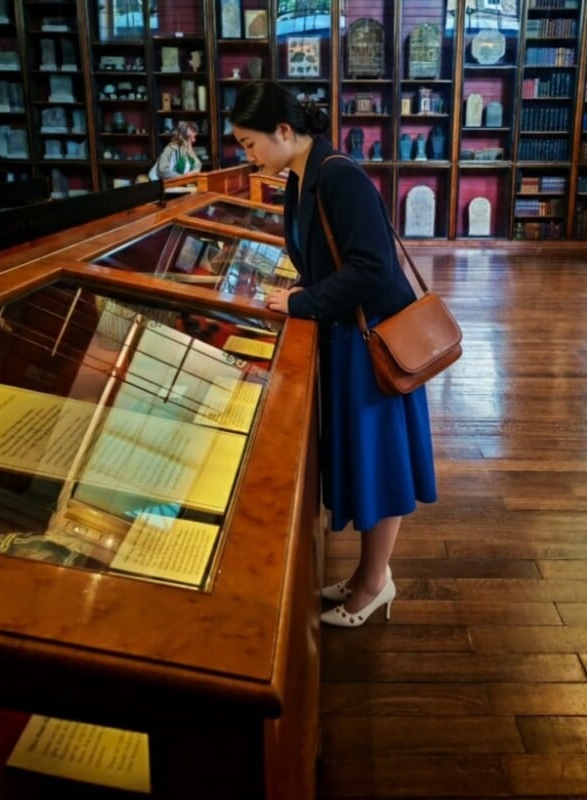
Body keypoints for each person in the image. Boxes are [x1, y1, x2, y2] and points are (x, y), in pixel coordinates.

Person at [229, 81, 437, 628]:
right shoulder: (300, 178)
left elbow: (373, 267)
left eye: (249, 143)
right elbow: (322, 256)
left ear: (283, 131)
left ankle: (373, 584)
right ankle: (367, 574)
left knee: (381, 466)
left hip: (374, 347)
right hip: (347, 339)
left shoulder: (338, 176)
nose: (247, 156)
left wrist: (303, 302)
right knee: (368, 462)